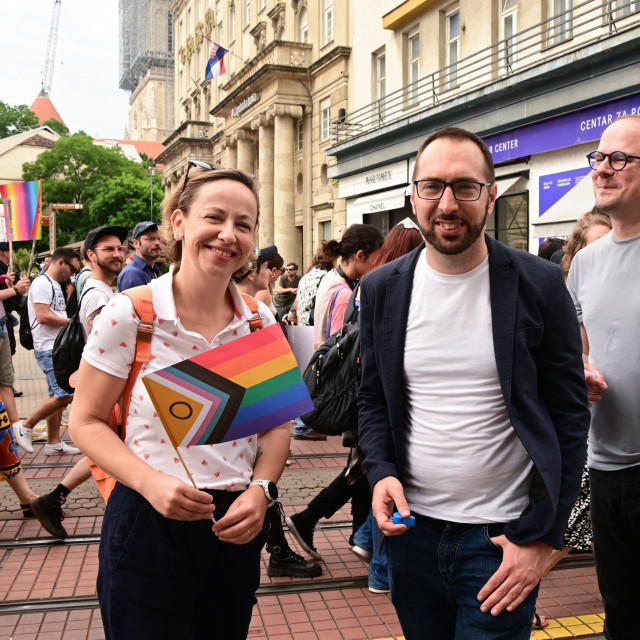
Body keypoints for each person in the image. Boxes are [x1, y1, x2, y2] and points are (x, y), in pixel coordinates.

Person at [357, 127, 590, 640]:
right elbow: (373, 399)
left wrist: (545, 541)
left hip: (501, 541)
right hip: (410, 536)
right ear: (412, 196)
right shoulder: (381, 289)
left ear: (490, 194)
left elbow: (572, 419)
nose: (447, 203)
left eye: (465, 187)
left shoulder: (539, 283)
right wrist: (380, 473)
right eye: (431, 186)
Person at [69, 166, 291, 639]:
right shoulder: (133, 314)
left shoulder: (259, 320)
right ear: (179, 223)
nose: (228, 234)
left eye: (244, 224)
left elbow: (277, 425)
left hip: (234, 525)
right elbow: (84, 421)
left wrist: (261, 490)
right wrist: (151, 484)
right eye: (214, 217)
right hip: (147, 523)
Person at [567, 115, 640, 640]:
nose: (603, 169)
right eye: (599, 157)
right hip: (606, 467)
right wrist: (580, 376)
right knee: (620, 611)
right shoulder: (585, 263)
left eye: (619, 159)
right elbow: (581, 354)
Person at [286, 223, 383, 558]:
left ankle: (359, 536)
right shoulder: (346, 290)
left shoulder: (334, 281)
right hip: (350, 389)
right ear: (361, 255)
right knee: (362, 466)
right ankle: (311, 518)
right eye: (376, 258)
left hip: (342, 386)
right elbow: (352, 346)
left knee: (361, 466)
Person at [28, 225, 129, 540]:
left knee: (109, 449)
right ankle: (123, 523)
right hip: (107, 384)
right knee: (115, 451)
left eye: (119, 248)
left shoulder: (95, 286)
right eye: (108, 249)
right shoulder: (98, 291)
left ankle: (54, 499)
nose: (117, 253)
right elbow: (105, 339)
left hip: (103, 382)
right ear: (91, 254)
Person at [234, 247, 322, 579]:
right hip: (247, 416)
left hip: (250, 415)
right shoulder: (256, 307)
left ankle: (279, 551)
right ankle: (278, 551)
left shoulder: (256, 310)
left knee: (260, 488)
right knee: (258, 487)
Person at [350, 217, 423, 594]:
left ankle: (366, 543)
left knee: (379, 488)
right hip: (381, 412)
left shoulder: (255, 316)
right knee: (385, 486)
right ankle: (378, 565)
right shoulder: (379, 286)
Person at [13, 248, 82, 456]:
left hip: (55, 346)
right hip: (48, 348)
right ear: (61, 262)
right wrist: (73, 323)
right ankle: (26, 426)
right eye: (72, 269)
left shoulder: (52, 284)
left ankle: (53, 442)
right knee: (64, 394)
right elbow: (43, 316)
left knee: (57, 394)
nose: (72, 274)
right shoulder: (43, 283)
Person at [560, 212, 611, 279]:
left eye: (611, 240)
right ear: (580, 247)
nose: (607, 246)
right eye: (599, 242)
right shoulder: (569, 283)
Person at [116, 221, 162, 292]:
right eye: (151, 239)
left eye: (159, 239)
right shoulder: (132, 273)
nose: (157, 243)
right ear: (136, 243)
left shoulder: (154, 270)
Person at [253, 246, 284, 316]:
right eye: (266, 267)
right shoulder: (263, 291)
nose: (269, 272)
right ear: (274, 270)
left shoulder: (264, 289)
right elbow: (258, 321)